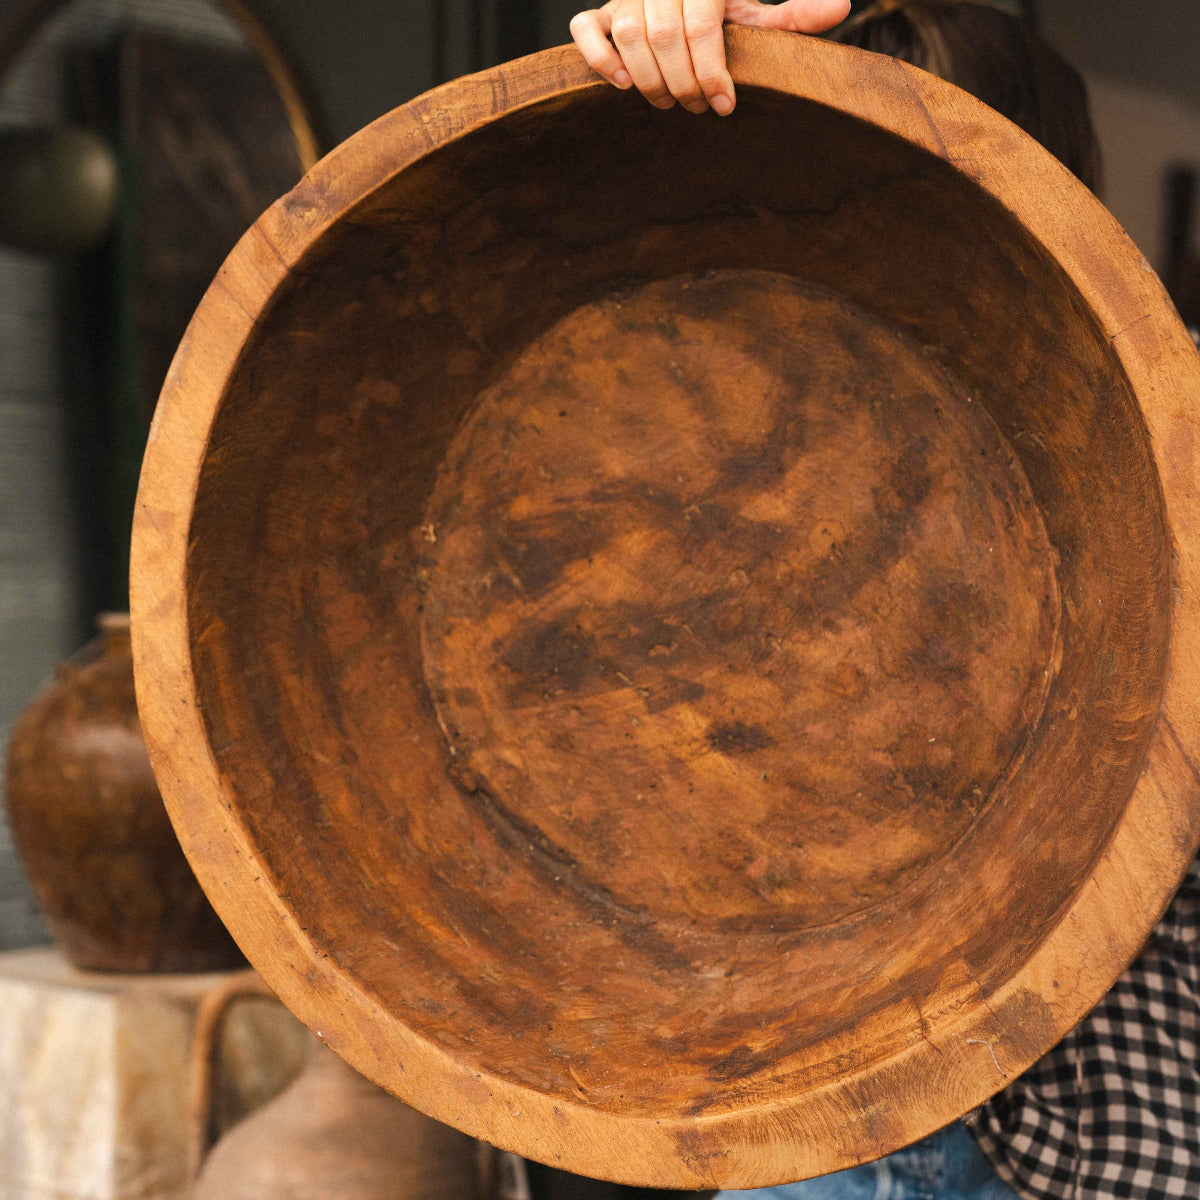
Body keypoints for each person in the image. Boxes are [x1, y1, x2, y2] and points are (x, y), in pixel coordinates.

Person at [569, 3, 1200, 1197]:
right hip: (787, 1122)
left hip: (1078, 1133)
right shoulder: (698, 415)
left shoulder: (1164, 425)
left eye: (930, 172)